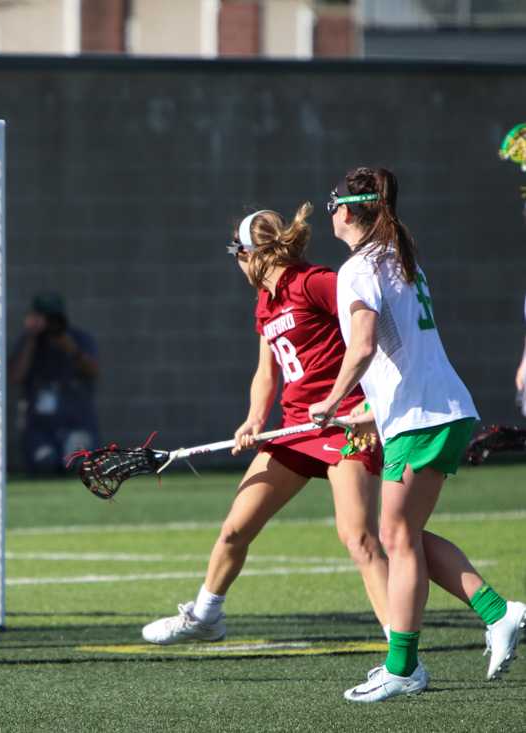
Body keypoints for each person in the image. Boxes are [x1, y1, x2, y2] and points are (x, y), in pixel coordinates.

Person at [308, 167, 525, 702]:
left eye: (332, 205)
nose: (329, 213)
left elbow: (361, 348)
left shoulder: (359, 267)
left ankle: (403, 669)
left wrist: (331, 400)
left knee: (398, 540)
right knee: (405, 534)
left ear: (347, 211)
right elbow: (402, 359)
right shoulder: (399, 259)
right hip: (438, 412)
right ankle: (500, 612)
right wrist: (359, 415)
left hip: (424, 419)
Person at [141, 204, 391, 646]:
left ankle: (400, 648)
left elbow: (372, 329)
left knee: (359, 538)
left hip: (344, 424)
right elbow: (267, 371)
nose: (235, 263)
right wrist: (255, 418)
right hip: (294, 431)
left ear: (252, 254)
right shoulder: (265, 301)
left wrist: (371, 406)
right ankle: (205, 616)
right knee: (236, 529)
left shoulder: (315, 282)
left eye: (235, 253)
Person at [7, 292, 100, 474]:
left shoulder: (78, 338)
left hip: (76, 422)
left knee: (77, 464)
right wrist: (31, 339)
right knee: (44, 463)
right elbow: (14, 377)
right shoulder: (28, 343)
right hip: (40, 427)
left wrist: (71, 349)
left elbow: (93, 371)